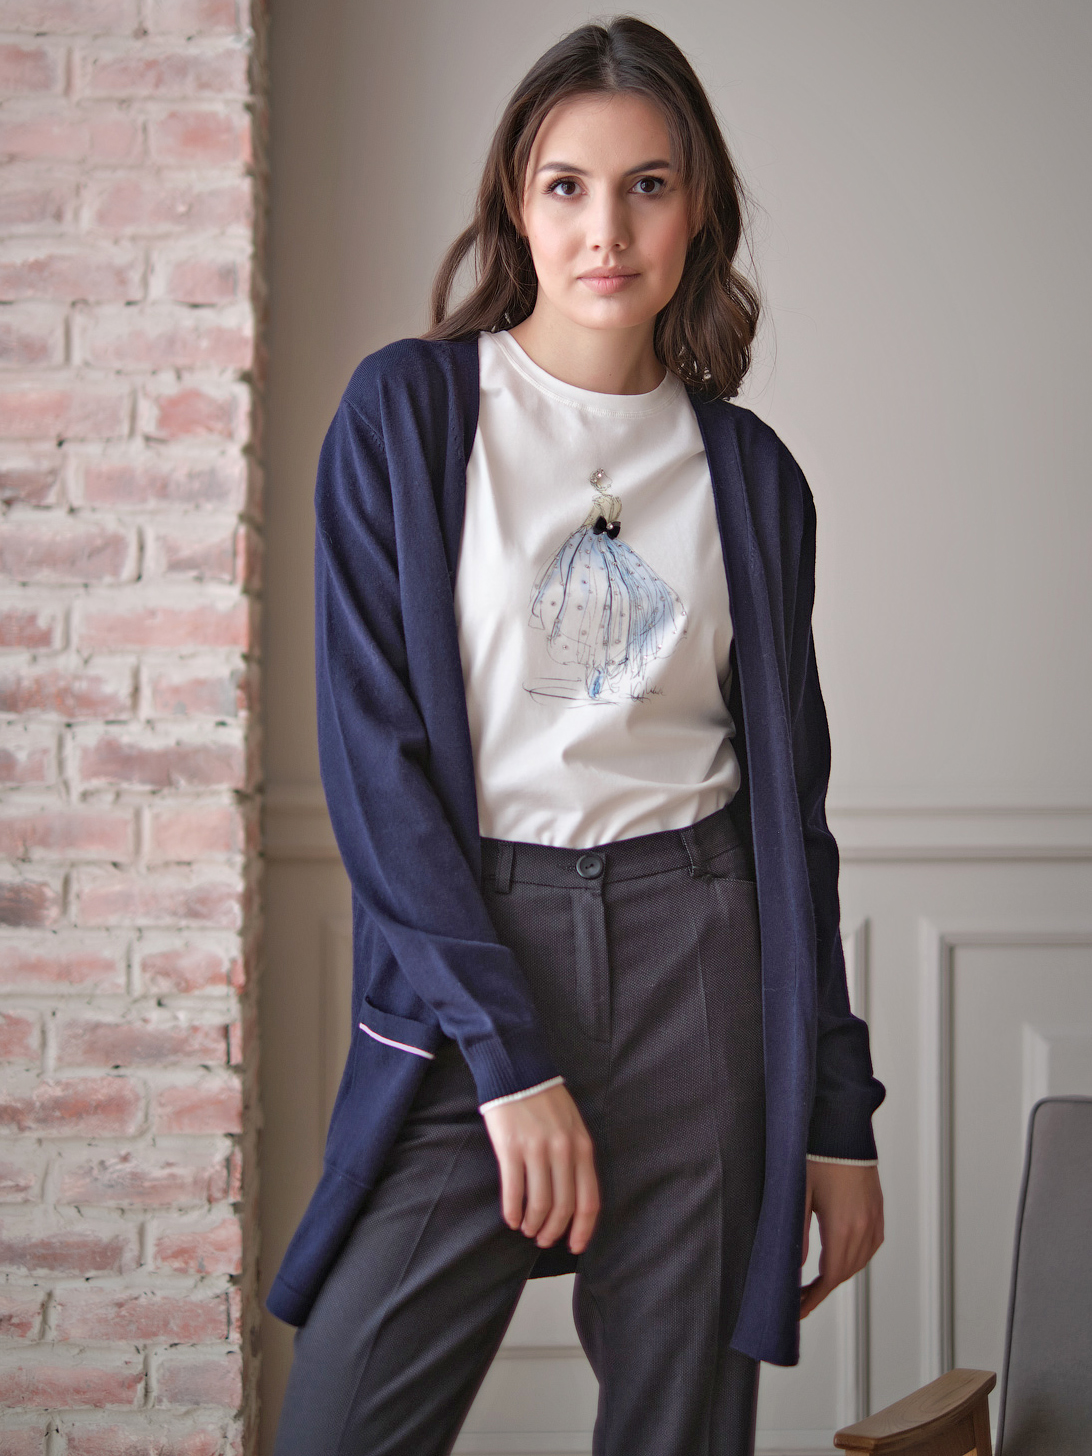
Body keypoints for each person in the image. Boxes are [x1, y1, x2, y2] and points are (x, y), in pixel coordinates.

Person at [267, 16, 886, 1456]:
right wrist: (508, 1058)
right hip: (472, 960)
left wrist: (836, 1112)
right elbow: (375, 768)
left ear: (699, 209)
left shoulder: (753, 479)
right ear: (516, 202)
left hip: (700, 968)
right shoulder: (409, 415)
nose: (606, 228)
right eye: (567, 185)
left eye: (647, 186)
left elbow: (791, 821)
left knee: (679, 1431)